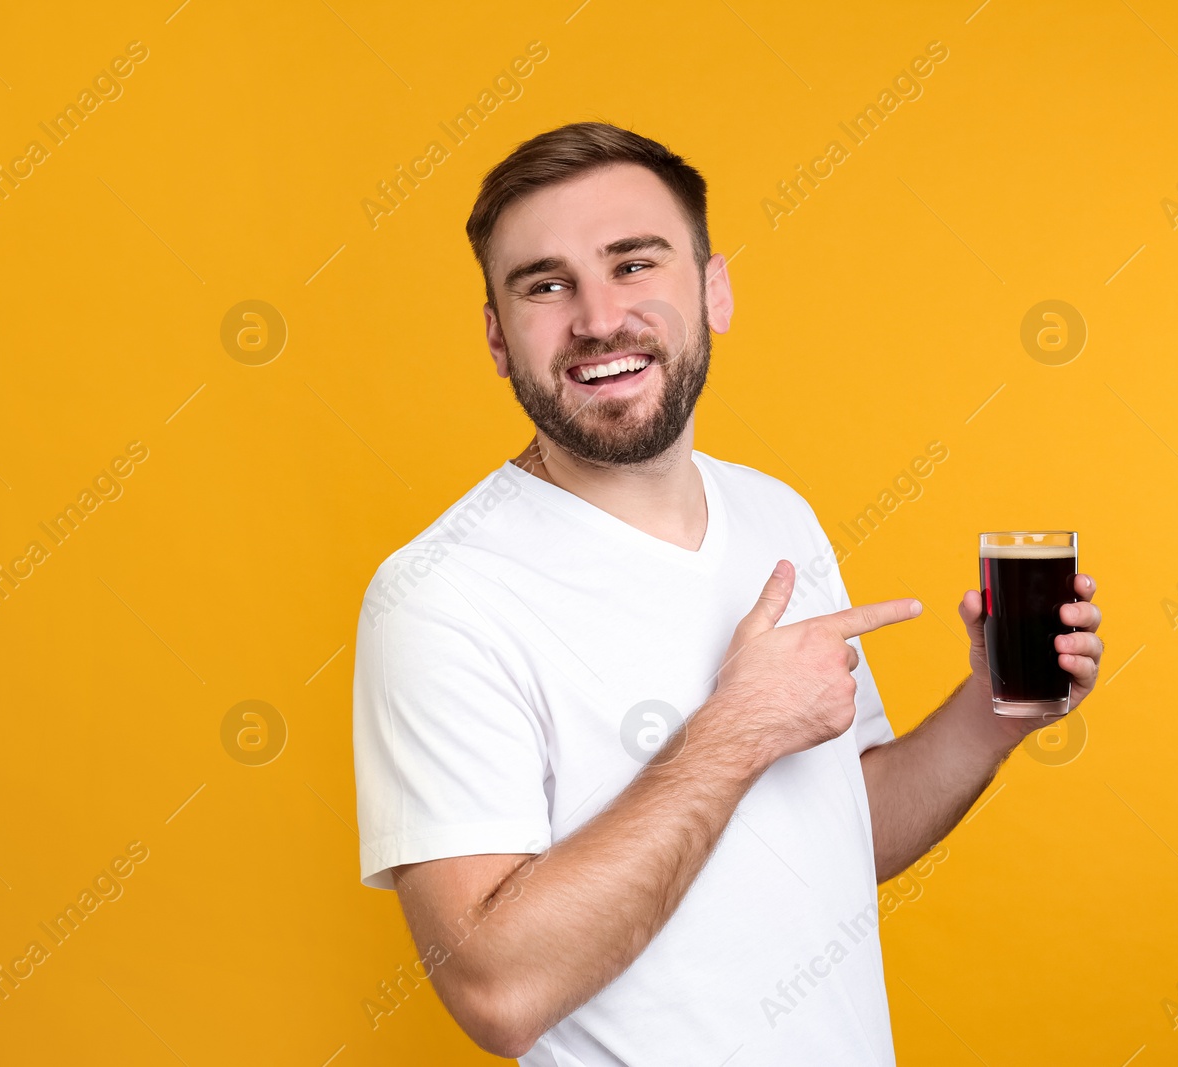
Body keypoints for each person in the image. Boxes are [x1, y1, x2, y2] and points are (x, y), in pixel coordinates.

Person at [350, 121, 1104, 1066]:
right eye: (546, 284)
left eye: (634, 264)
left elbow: (843, 832)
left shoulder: (775, 513)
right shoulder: (439, 595)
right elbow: (497, 988)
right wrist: (739, 727)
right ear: (499, 337)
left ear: (714, 291)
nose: (596, 317)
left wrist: (992, 713)